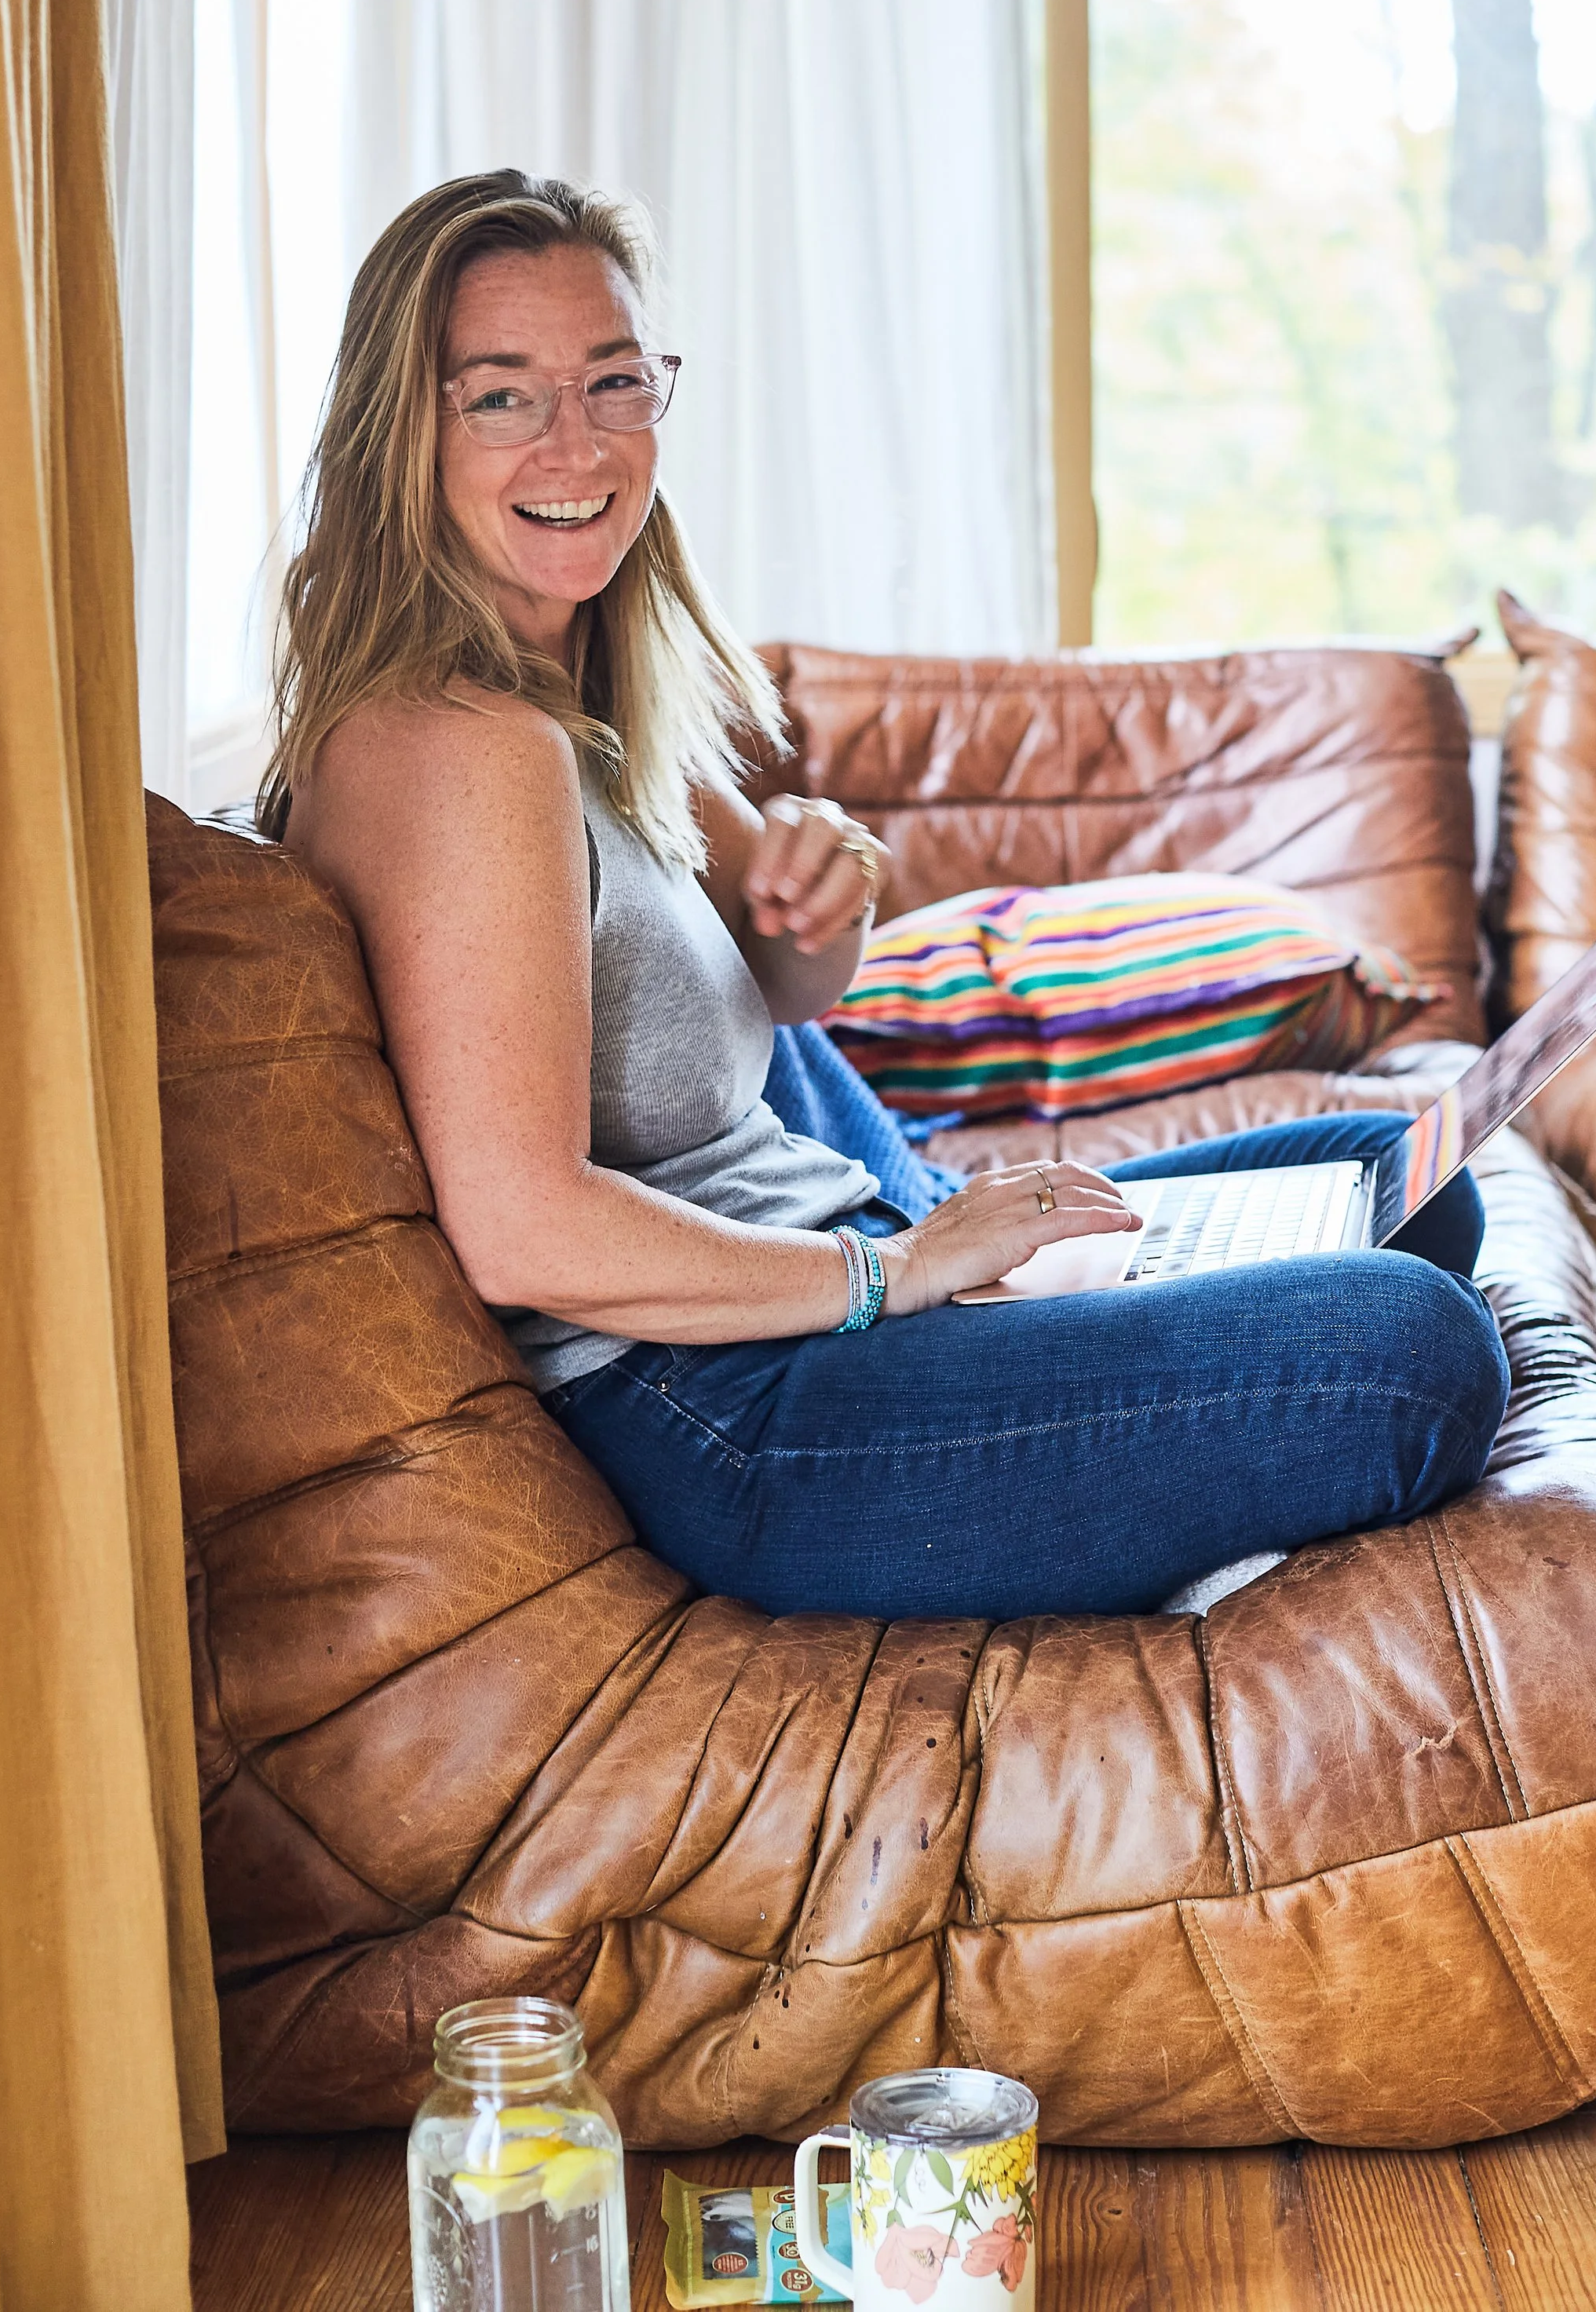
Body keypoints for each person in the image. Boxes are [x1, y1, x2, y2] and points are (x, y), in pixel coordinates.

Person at [269, 170, 1509, 1624]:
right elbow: (521, 1229)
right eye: (502, 396)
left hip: (826, 1275)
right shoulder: (460, 751)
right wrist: (897, 1267)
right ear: (400, 428)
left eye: (615, 380)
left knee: (1405, 1173)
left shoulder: (572, 699)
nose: (579, 440)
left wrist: (822, 897)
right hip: (739, 1413)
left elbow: (787, 999)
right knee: (1412, 1348)